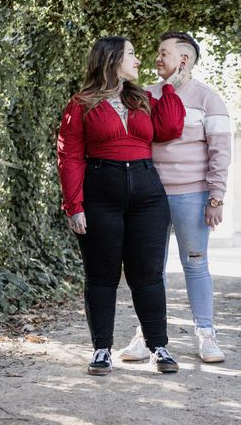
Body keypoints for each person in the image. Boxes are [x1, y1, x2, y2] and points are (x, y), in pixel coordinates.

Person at [57, 36, 188, 375]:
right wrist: (74, 205)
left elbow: (171, 127)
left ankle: (159, 347)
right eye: (132, 54)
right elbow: (69, 156)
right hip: (101, 193)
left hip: (147, 195)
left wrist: (170, 88)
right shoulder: (81, 103)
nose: (139, 61)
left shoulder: (141, 98)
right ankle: (102, 350)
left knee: (148, 275)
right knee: (101, 276)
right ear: (112, 58)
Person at [120, 31, 231, 363]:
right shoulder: (142, 96)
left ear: (183, 59)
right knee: (149, 269)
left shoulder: (209, 100)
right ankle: (146, 335)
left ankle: (206, 335)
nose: (156, 57)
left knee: (195, 265)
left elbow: (221, 153)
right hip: (149, 195)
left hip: (193, 196)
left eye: (163, 52)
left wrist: (216, 197)